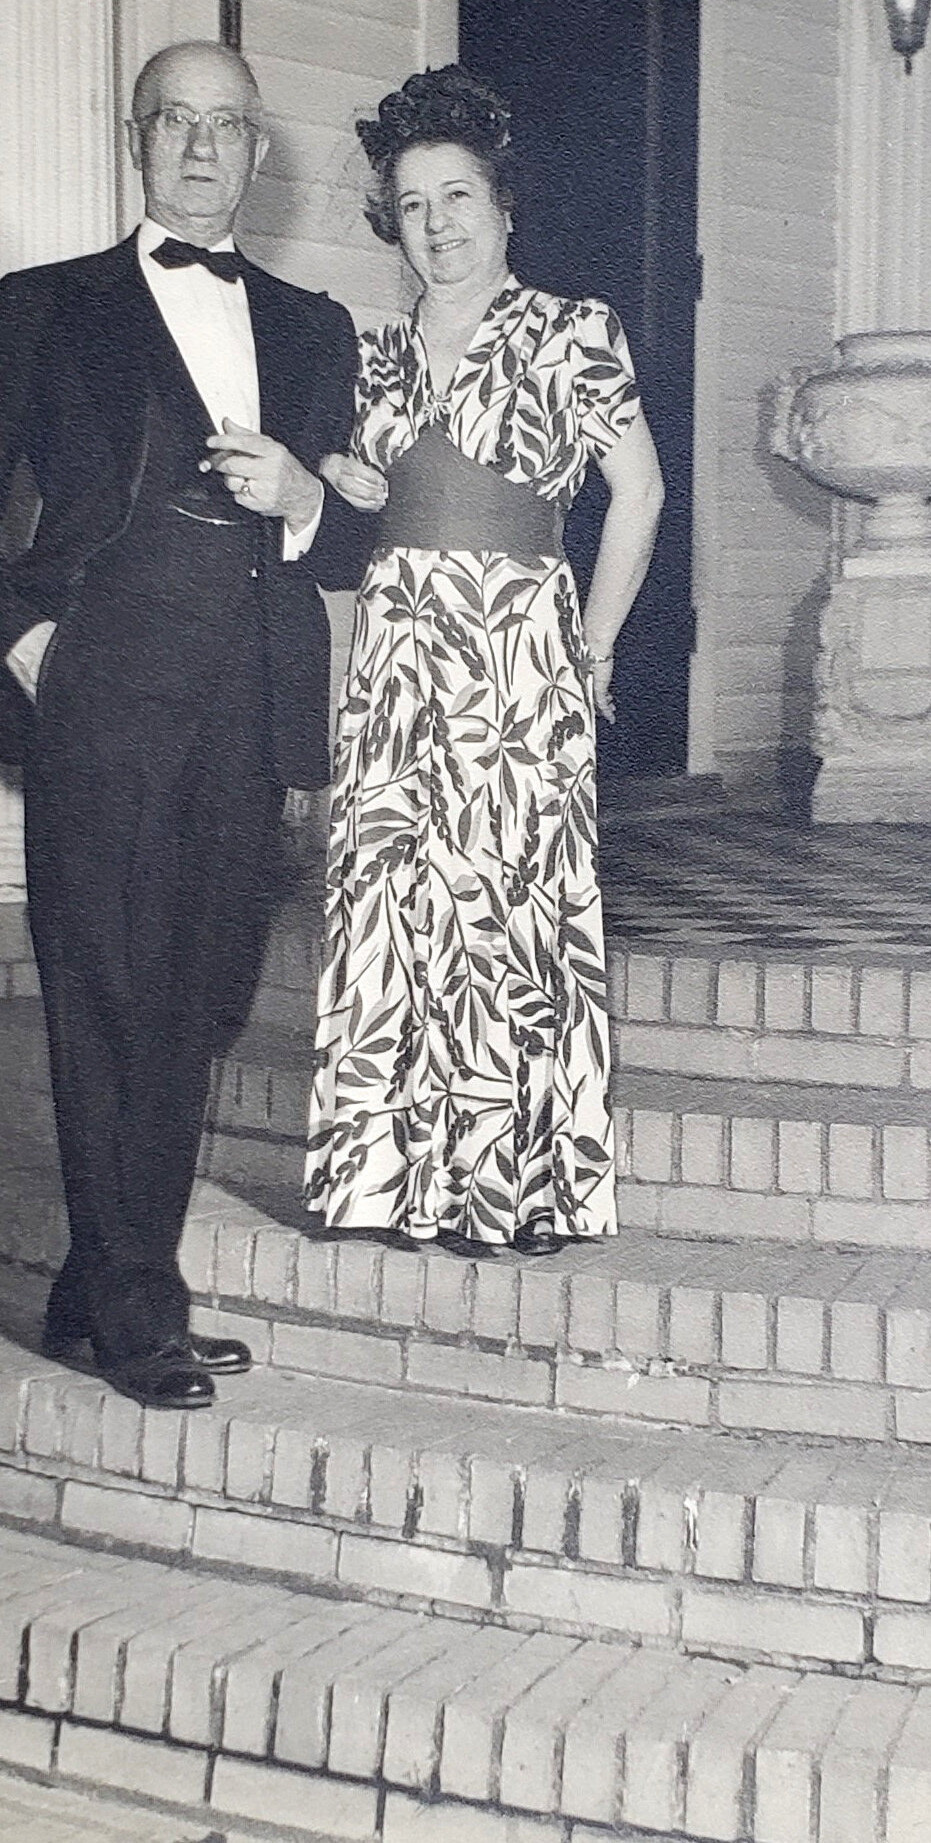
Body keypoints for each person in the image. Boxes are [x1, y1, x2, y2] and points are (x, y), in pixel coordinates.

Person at [0, 41, 368, 1407]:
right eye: (177, 121)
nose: (203, 147)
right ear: (137, 139)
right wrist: (37, 647)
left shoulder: (312, 327)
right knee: (107, 990)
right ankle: (135, 1306)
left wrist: (302, 497)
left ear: (257, 154)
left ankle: (94, 1278)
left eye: (228, 126)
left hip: (249, 713)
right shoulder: (47, 308)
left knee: (201, 1000)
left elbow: (349, 542)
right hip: (102, 702)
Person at [305, 66, 664, 1257]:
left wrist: (597, 645)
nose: (438, 224)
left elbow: (640, 494)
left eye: (458, 196)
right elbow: (361, 513)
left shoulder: (572, 330)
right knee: (395, 904)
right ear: (391, 225)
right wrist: (350, 486)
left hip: (517, 655)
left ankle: (509, 1190)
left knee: (507, 914)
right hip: (397, 653)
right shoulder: (373, 353)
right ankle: (384, 1183)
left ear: (504, 207)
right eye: (412, 205)